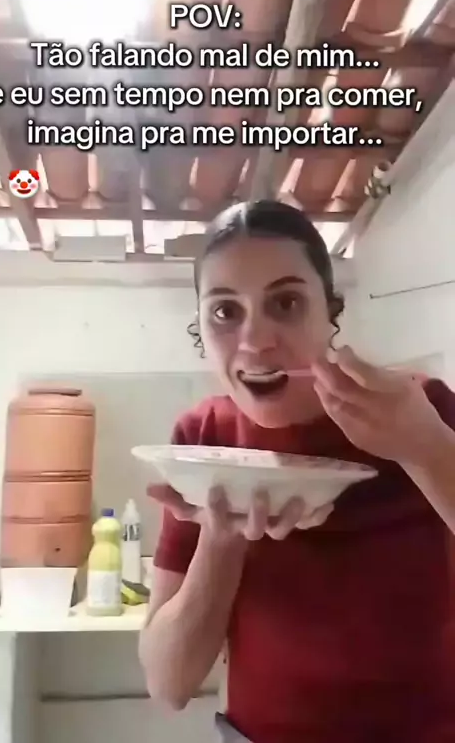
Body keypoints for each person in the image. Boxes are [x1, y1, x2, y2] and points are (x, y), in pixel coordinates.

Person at [139, 200, 455, 743]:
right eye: (225, 311)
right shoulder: (202, 441)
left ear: (328, 312)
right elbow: (169, 684)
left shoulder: (416, 408)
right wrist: (222, 539)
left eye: (285, 303)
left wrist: (426, 446)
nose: (255, 341)